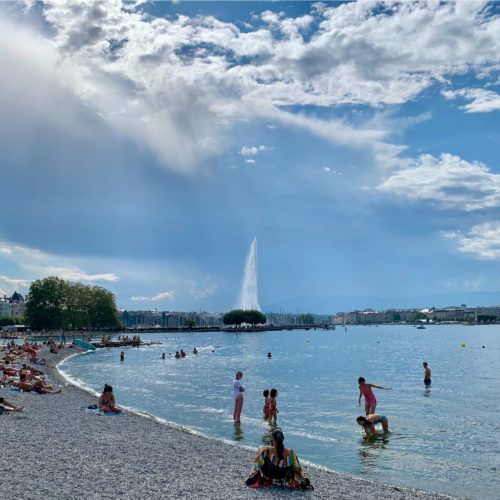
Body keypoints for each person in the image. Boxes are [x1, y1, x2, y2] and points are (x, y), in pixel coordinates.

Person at [245, 428, 313, 490]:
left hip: (268, 475)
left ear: (273, 439)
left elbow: (258, 465)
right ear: (283, 439)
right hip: (282, 477)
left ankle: (261, 480)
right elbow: (298, 469)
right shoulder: (290, 452)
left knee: (261, 452)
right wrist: (301, 479)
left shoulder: (268, 451)